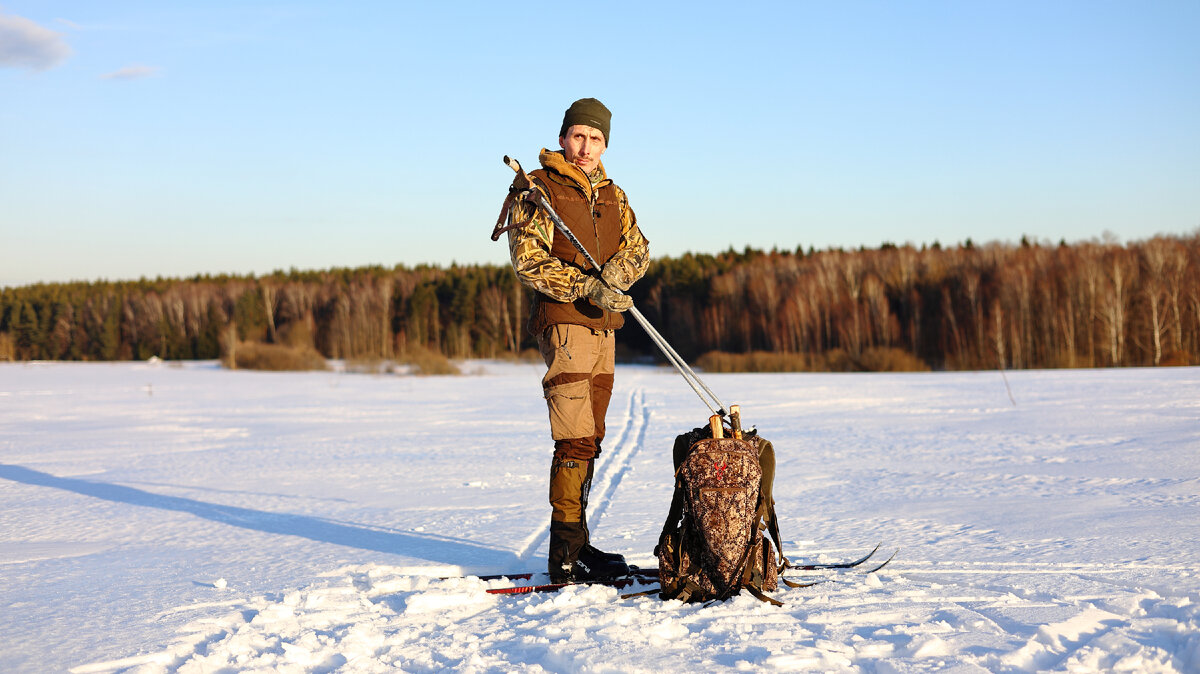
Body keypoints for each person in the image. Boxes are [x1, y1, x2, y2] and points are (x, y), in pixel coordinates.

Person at [505, 98, 650, 582]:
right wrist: (585, 286)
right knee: (573, 436)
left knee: (591, 437)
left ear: (606, 143)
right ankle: (565, 554)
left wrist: (616, 276)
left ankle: (580, 546)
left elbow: (638, 247)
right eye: (578, 136)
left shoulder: (614, 195)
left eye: (596, 139)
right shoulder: (539, 189)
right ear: (563, 137)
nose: (586, 147)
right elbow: (529, 261)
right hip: (565, 320)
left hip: (605, 324)